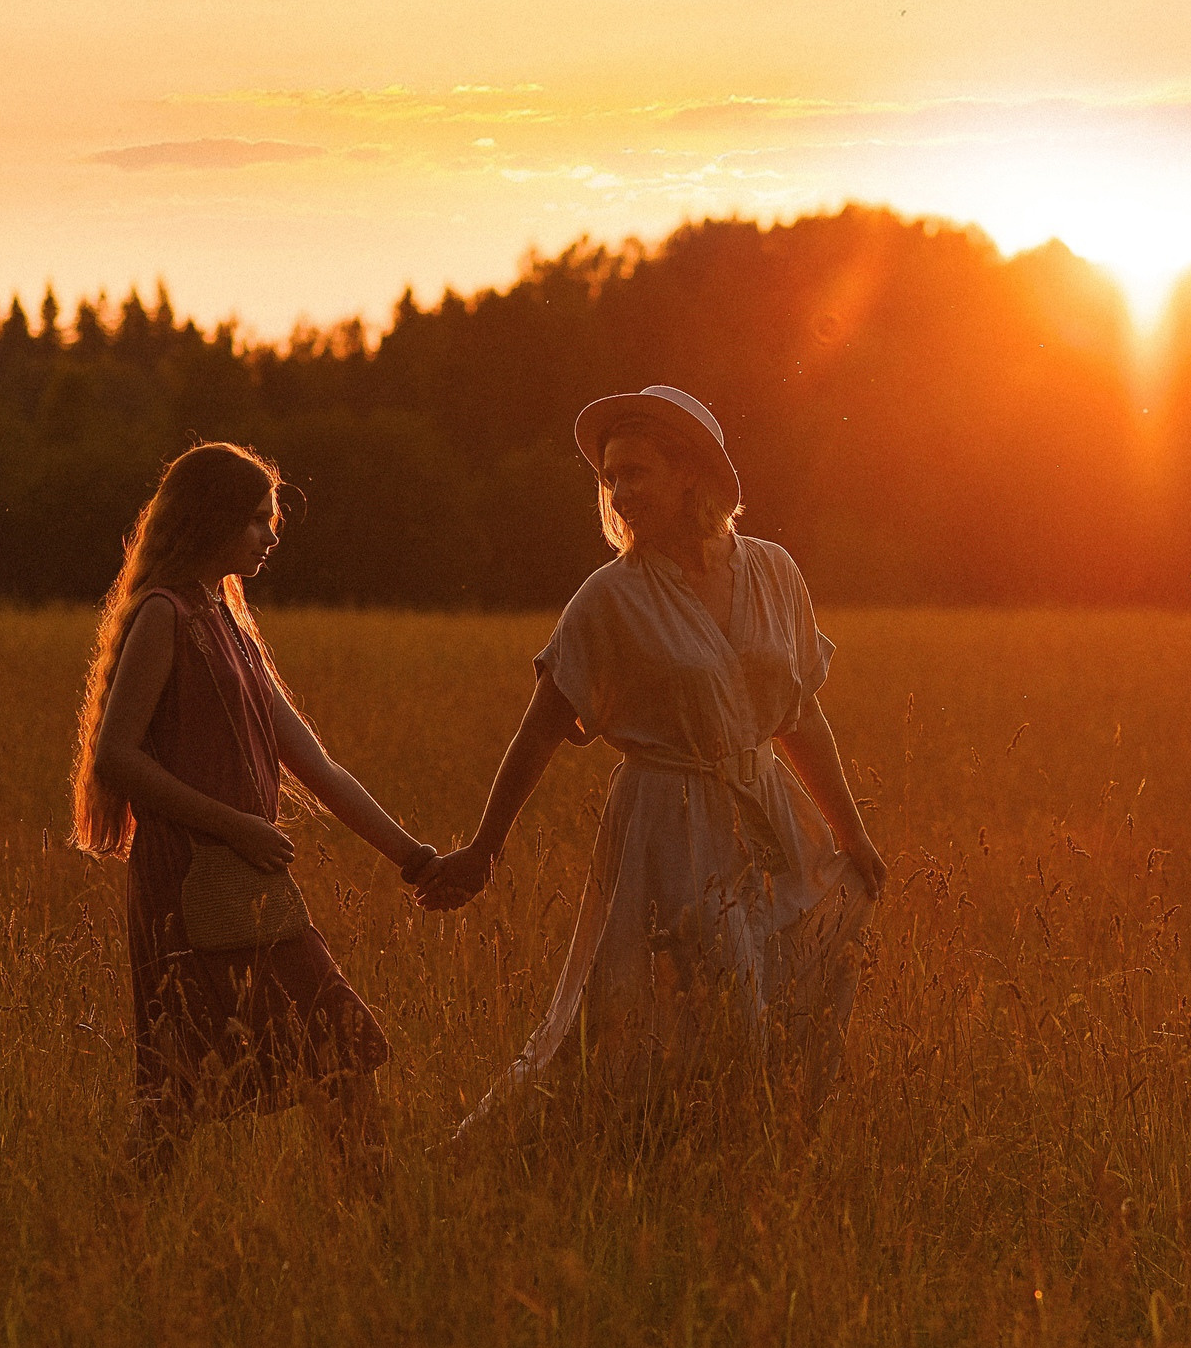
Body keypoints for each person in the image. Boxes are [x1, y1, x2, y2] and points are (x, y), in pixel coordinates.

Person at [420, 386, 889, 1129]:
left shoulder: (774, 572)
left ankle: (744, 1153)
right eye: (612, 477)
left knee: (792, 987)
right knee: (723, 1004)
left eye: (637, 472)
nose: (621, 492)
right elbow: (539, 730)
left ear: (693, 475)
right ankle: (617, 1145)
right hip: (668, 826)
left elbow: (798, 712)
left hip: (767, 808)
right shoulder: (609, 599)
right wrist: (483, 848)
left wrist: (850, 831)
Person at [71, 442, 436, 1178]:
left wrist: (415, 859)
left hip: (245, 879)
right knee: (190, 1083)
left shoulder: (229, 626)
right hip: (190, 882)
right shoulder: (165, 617)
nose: (272, 535)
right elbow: (117, 756)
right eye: (258, 521)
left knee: (326, 1049)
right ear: (212, 522)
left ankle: (377, 1211)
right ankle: (378, 1213)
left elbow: (319, 768)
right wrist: (236, 824)